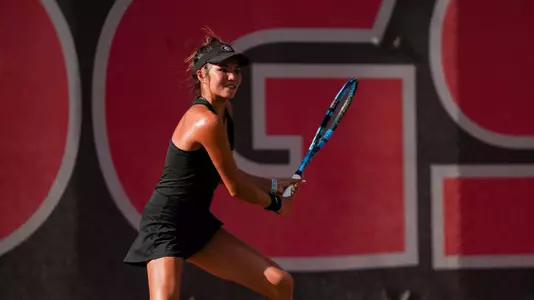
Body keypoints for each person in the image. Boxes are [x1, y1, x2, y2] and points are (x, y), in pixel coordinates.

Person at [123, 28, 303, 300]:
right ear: (201, 75)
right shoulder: (205, 121)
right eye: (223, 69)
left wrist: (276, 184)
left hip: (196, 222)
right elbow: (235, 188)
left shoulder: (224, 113)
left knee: (280, 283)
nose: (232, 77)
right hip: (166, 224)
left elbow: (227, 173)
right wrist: (275, 203)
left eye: (236, 70)